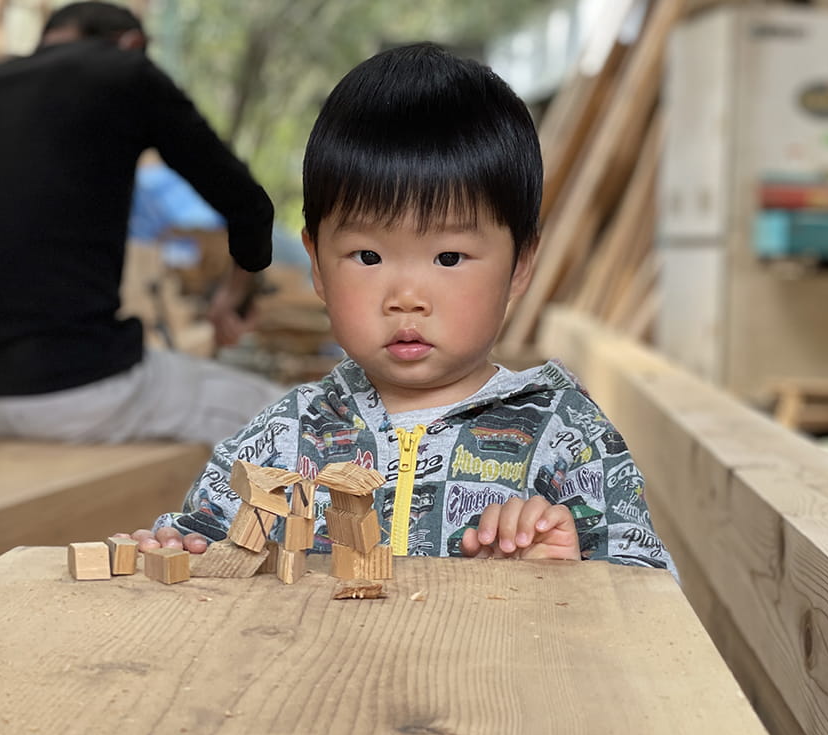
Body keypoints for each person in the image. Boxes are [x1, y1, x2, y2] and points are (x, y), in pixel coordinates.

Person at [133, 42, 674, 570]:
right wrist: (176, 549)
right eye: (368, 255)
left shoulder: (564, 437)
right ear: (317, 266)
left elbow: (647, 593)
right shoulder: (286, 434)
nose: (406, 298)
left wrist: (567, 565)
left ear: (521, 266)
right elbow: (202, 537)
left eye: (449, 256)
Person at [0, 1, 284, 445]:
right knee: (299, 422)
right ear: (134, 44)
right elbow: (249, 206)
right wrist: (232, 298)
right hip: (79, 386)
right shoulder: (124, 70)